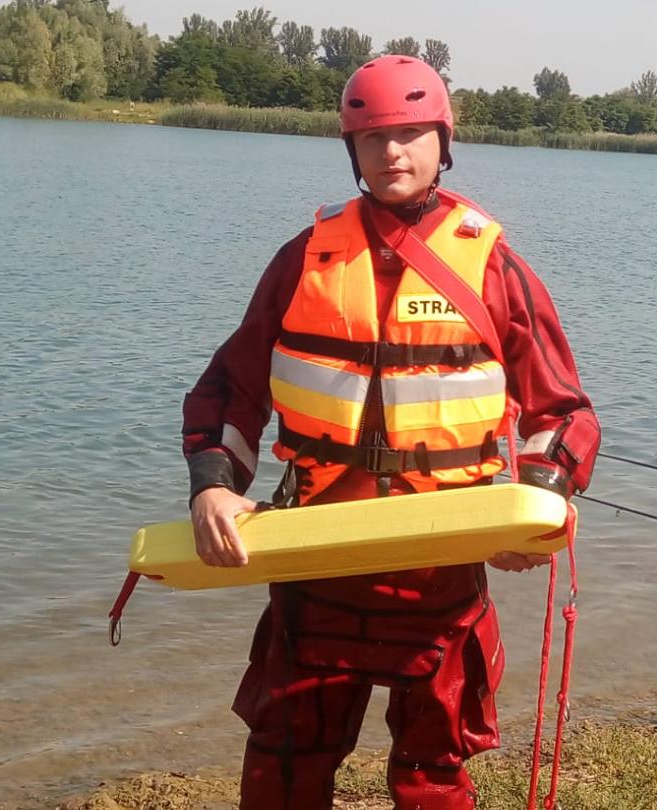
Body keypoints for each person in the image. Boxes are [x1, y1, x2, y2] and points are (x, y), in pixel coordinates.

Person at [178, 55, 600, 810]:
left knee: (432, 772)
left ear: (443, 140)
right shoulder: (303, 259)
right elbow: (230, 390)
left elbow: (561, 414)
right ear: (351, 149)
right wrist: (214, 489)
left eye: (410, 133)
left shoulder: (494, 267)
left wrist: (532, 516)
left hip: (442, 566)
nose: (392, 152)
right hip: (319, 556)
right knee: (285, 758)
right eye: (373, 137)